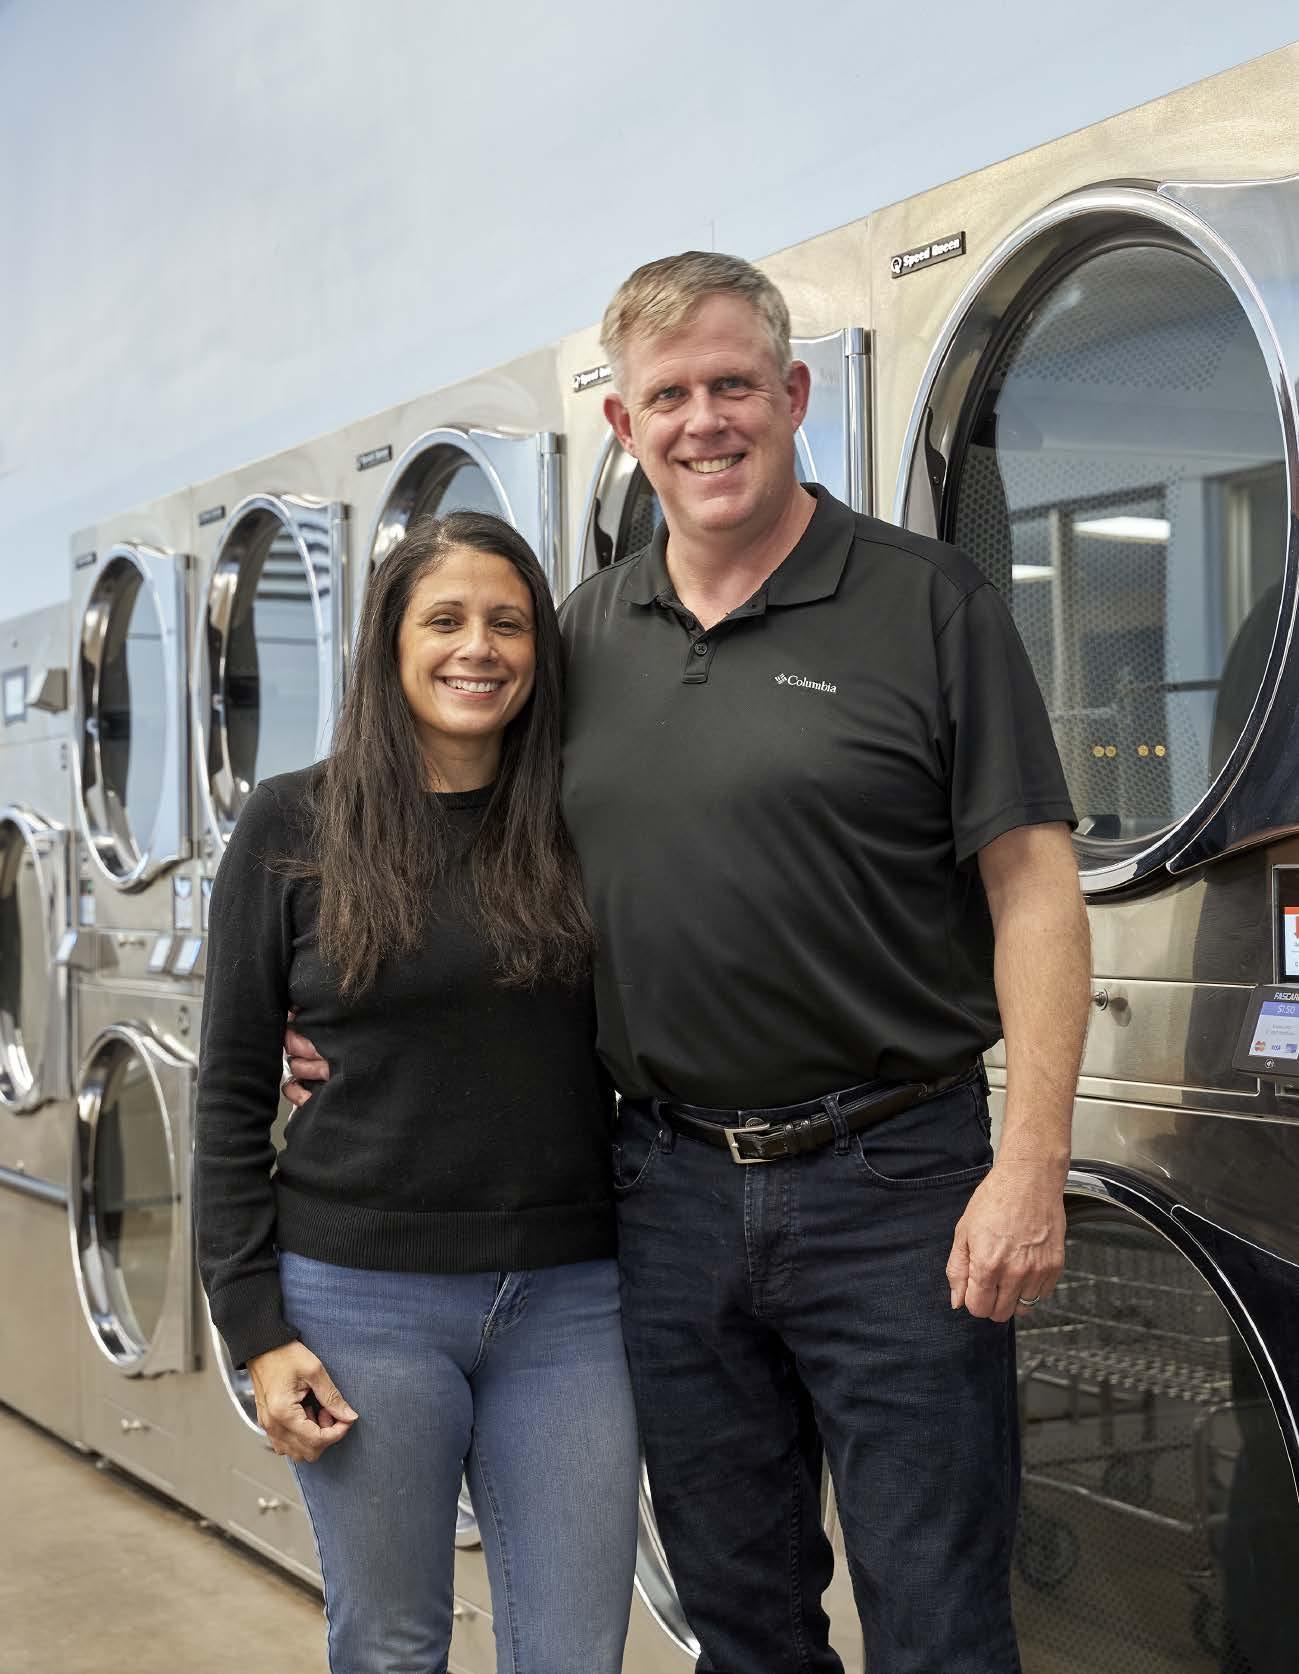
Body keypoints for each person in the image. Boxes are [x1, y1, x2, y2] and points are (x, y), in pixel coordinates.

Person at [289, 252, 1091, 1673]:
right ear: (623, 424)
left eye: (733, 385)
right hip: (665, 1191)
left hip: (896, 1183)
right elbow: (482, 869)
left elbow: (1033, 890)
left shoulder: (926, 600)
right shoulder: (581, 639)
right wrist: (348, 1024)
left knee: (937, 1615)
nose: (703, 421)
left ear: (792, 395)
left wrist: (1029, 1161)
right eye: (668, 396)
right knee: (738, 1613)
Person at [195, 512, 638, 1674]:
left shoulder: (583, 821)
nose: (477, 647)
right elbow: (230, 1090)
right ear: (391, 645)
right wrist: (255, 1327)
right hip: (360, 1302)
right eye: (444, 620)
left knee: (576, 1653)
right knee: (392, 1646)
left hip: (571, 1301)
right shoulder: (293, 823)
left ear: (541, 650)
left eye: (508, 622)